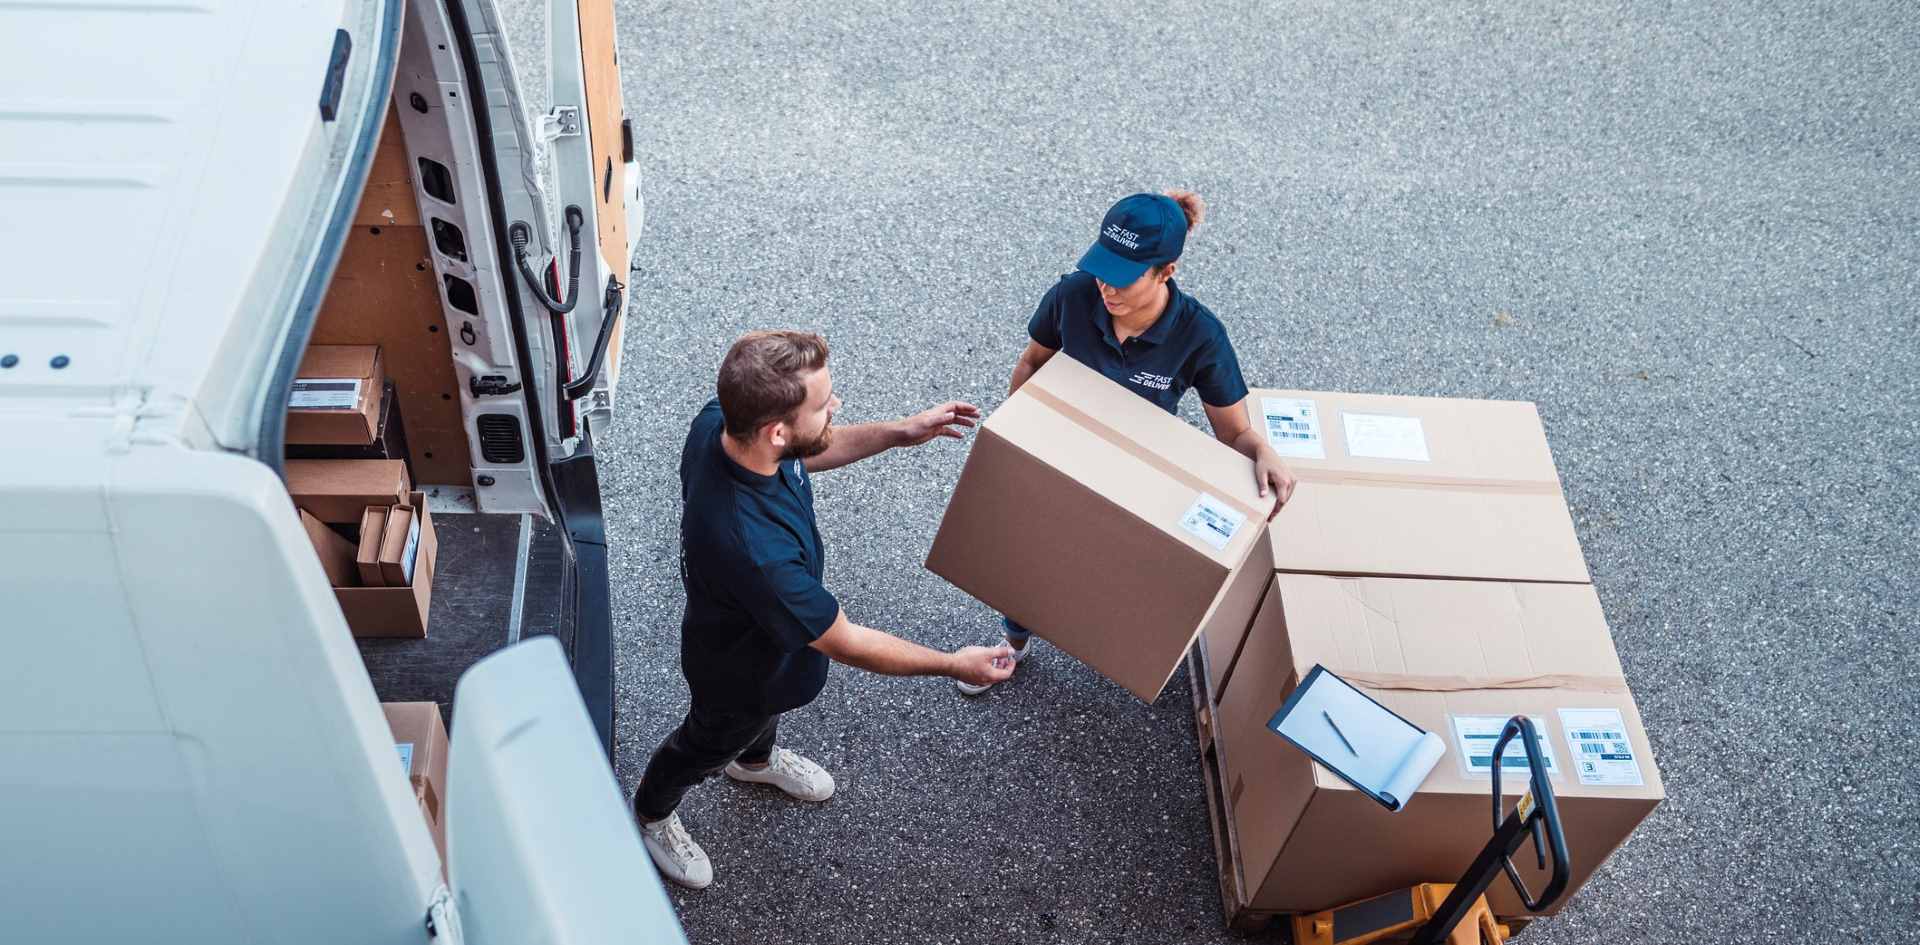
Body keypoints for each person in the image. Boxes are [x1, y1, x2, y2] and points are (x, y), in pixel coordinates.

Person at [635, 329, 1015, 889]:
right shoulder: (757, 553)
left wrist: (897, 432)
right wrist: (956, 664)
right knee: (709, 739)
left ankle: (754, 763)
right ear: (777, 429)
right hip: (738, 670)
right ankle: (651, 814)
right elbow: (846, 641)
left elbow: (808, 452)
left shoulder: (721, 424)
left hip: (773, 646)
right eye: (823, 403)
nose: (836, 406)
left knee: (759, 719)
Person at [956, 189, 1298, 697]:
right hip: (1061, 452)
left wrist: (1263, 453)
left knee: (1112, 567)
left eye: (1125, 274)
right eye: (1103, 266)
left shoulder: (1201, 336)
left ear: (1166, 272)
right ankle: (1014, 640)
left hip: (1136, 471)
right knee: (1031, 557)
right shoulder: (1072, 296)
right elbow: (1032, 362)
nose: (1106, 286)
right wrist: (1018, 432)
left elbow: (1234, 433)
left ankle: (1113, 646)